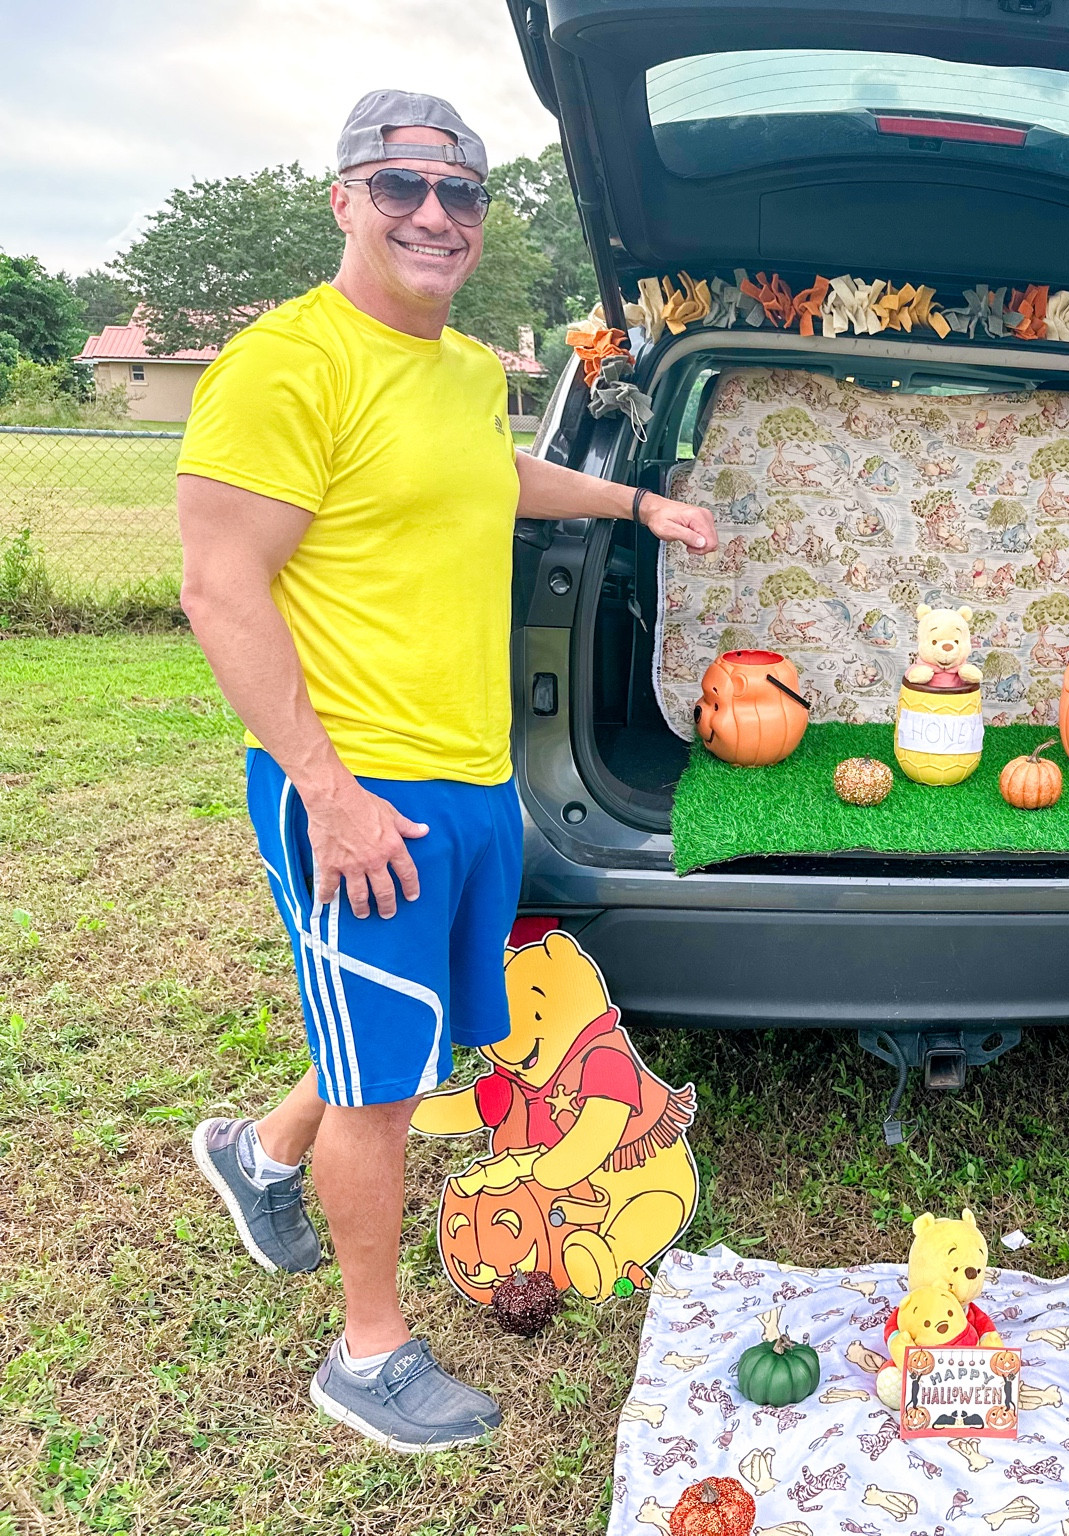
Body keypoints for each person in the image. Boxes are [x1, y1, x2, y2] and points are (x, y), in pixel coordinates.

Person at [177, 90, 716, 1450]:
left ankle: (258, 1153)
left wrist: (639, 504)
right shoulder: (285, 365)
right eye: (400, 185)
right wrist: (329, 794)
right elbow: (220, 588)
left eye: (459, 192)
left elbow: (491, 478)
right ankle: (368, 1355)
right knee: (380, 1089)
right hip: (360, 792)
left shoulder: (468, 370)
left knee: (403, 1037)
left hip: (474, 786)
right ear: (344, 198)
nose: (434, 213)